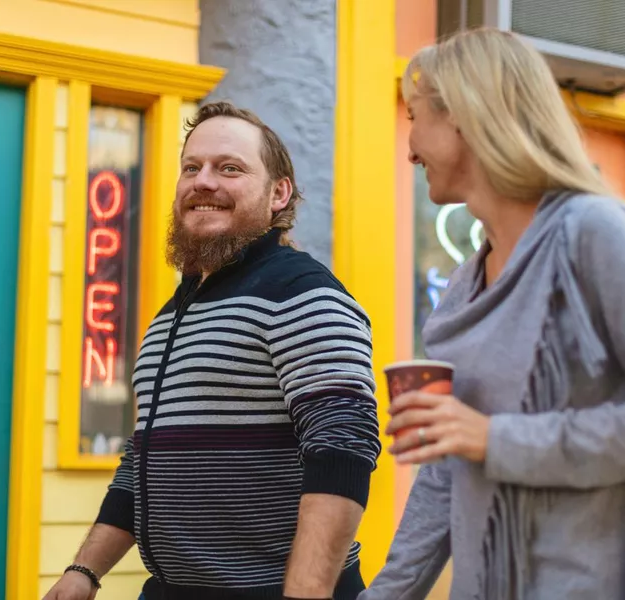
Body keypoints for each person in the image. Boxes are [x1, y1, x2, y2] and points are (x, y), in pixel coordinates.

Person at [361, 28, 625, 600]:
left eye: (413, 117)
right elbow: (444, 476)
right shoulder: (462, 287)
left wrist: (496, 439)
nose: (409, 148)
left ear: (464, 116)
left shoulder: (592, 233)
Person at [43, 101, 381, 600]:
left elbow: (343, 447)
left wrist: (306, 591)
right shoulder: (169, 318)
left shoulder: (302, 292)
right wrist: (84, 571)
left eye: (230, 168)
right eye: (191, 167)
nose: (203, 182)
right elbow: (144, 463)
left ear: (278, 194)